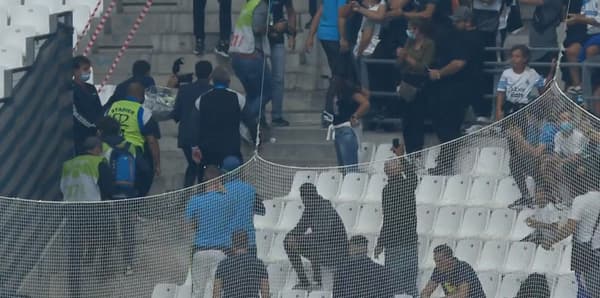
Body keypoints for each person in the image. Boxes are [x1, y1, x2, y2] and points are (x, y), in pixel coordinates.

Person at [427, 7, 483, 175]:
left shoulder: (468, 39)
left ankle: (445, 163)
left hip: (458, 88)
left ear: (467, 21)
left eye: (457, 21)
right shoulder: (462, 37)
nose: (454, 24)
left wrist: (439, 73)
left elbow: (459, 63)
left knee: (449, 126)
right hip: (452, 88)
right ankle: (444, 161)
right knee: (443, 124)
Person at [60, 136, 113, 298]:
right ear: (97, 149)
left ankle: (74, 286)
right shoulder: (98, 162)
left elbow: (62, 187)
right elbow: (108, 188)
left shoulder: (68, 164)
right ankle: (102, 271)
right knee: (109, 235)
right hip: (93, 208)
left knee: (74, 247)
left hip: (72, 209)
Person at [284, 183, 348, 290]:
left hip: (335, 250)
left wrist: (298, 239)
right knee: (287, 242)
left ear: (309, 198)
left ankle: (319, 280)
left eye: (304, 199)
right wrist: (291, 236)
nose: (303, 202)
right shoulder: (310, 208)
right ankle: (305, 282)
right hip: (322, 247)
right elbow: (300, 228)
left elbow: (321, 236)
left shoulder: (325, 209)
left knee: (313, 245)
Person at [545, 174, 600, 297]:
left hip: (588, 253)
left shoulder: (581, 200)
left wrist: (551, 241)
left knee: (591, 291)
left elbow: (570, 228)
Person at [375, 153, 419, 297]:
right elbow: (413, 177)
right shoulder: (407, 185)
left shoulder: (388, 190)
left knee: (395, 283)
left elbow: (388, 219)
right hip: (409, 240)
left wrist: (380, 243)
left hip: (395, 243)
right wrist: (402, 159)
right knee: (410, 283)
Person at [106, 82, 161, 196]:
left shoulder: (113, 106)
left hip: (109, 149)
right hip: (133, 152)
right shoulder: (143, 111)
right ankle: (134, 208)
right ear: (142, 96)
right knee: (143, 177)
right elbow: (151, 141)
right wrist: (156, 164)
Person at [185, 166, 233, 298]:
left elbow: (188, 226)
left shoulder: (195, 200)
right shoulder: (227, 200)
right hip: (221, 251)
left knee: (197, 291)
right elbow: (234, 210)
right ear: (219, 180)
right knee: (217, 291)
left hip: (200, 250)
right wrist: (223, 190)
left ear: (204, 180)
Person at [229, 0, 272, 140]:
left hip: (236, 55)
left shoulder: (250, 4)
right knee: (267, 91)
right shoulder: (261, 5)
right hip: (249, 55)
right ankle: (242, 121)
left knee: (253, 94)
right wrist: (275, 28)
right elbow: (256, 28)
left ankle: (251, 124)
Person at [190, 67, 243, 176]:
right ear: (229, 81)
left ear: (212, 81)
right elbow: (251, 119)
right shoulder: (238, 97)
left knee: (206, 182)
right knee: (233, 182)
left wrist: (194, 146)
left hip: (207, 150)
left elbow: (194, 124)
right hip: (231, 148)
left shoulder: (202, 99)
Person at [171, 61, 213, 187]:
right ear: (210, 75)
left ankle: (186, 196)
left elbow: (176, 115)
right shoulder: (212, 91)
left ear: (195, 73)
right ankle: (200, 199)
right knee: (202, 168)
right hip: (205, 138)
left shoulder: (184, 90)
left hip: (186, 137)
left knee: (193, 165)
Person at [396, 18, 435, 153]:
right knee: (406, 120)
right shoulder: (409, 42)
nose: (410, 31)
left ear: (419, 29)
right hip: (406, 82)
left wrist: (407, 57)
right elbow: (399, 65)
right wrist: (401, 56)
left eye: (412, 28)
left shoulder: (429, 44)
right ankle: (408, 147)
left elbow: (424, 66)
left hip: (420, 85)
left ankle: (417, 148)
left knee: (417, 120)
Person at [304, 0, 346, 126]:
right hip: (334, 36)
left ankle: (337, 109)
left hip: (324, 34)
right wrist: (343, 38)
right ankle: (328, 111)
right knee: (339, 73)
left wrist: (311, 36)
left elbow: (320, 11)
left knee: (338, 73)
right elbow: (341, 15)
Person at [327, 64, 370, 168]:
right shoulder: (335, 89)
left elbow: (366, 102)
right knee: (342, 168)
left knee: (350, 168)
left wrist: (355, 116)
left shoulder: (347, 88)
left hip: (346, 130)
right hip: (337, 130)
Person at [222, 156, 266, 256]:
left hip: (227, 242)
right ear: (241, 171)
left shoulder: (221, 191)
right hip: (248, 242)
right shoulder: (250, 189)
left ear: (224, 172)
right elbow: (262, 210)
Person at [496, 45, 554, 120]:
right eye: (512, 56)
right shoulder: (506, 73)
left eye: (517, 56)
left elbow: (543, 88)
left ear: (525, 59)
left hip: (524, 108)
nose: (514, 59)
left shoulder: (532, 73)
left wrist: (551, 71)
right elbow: (501, 92)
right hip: (509, 106)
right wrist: (499, 109)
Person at [212, 230, 270, 298]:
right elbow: (265, 292)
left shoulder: (223, 265)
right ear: (247, 245)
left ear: (232, 245)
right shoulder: (258, 264)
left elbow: (216, 293)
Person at [267, 0, 296, 127]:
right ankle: (260, 116)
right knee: (262, 78)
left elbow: (290, 11)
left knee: (278, 78)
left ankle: (276, 115)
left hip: (278, 39)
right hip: (260, 38)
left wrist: (292, 35)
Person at [421, 245, 486, 298]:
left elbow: (462, 294)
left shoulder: (463, 267)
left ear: (449, 259)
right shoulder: (438, 270)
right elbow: (426, 291)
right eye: (435, 260)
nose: (436, 263)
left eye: (439, 261)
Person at [564, 0, 600, 95]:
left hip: (598, 35)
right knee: (572, 52)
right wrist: (573, 18)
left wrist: (578, 19)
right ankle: (578, 86)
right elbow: (585, 16)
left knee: (590, 51)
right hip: (590, 35)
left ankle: (590, 86)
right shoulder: (585, 1)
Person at [72, 55, 103, 154]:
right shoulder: (71, 89)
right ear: (75, 71)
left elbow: (99, 108)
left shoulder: (91, 88)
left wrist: (100, 125)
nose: (88, 72)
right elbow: (75, 113)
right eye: (85, 69)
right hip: (80, 133)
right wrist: (91, 126)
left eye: (89, 69)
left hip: (95, 132)